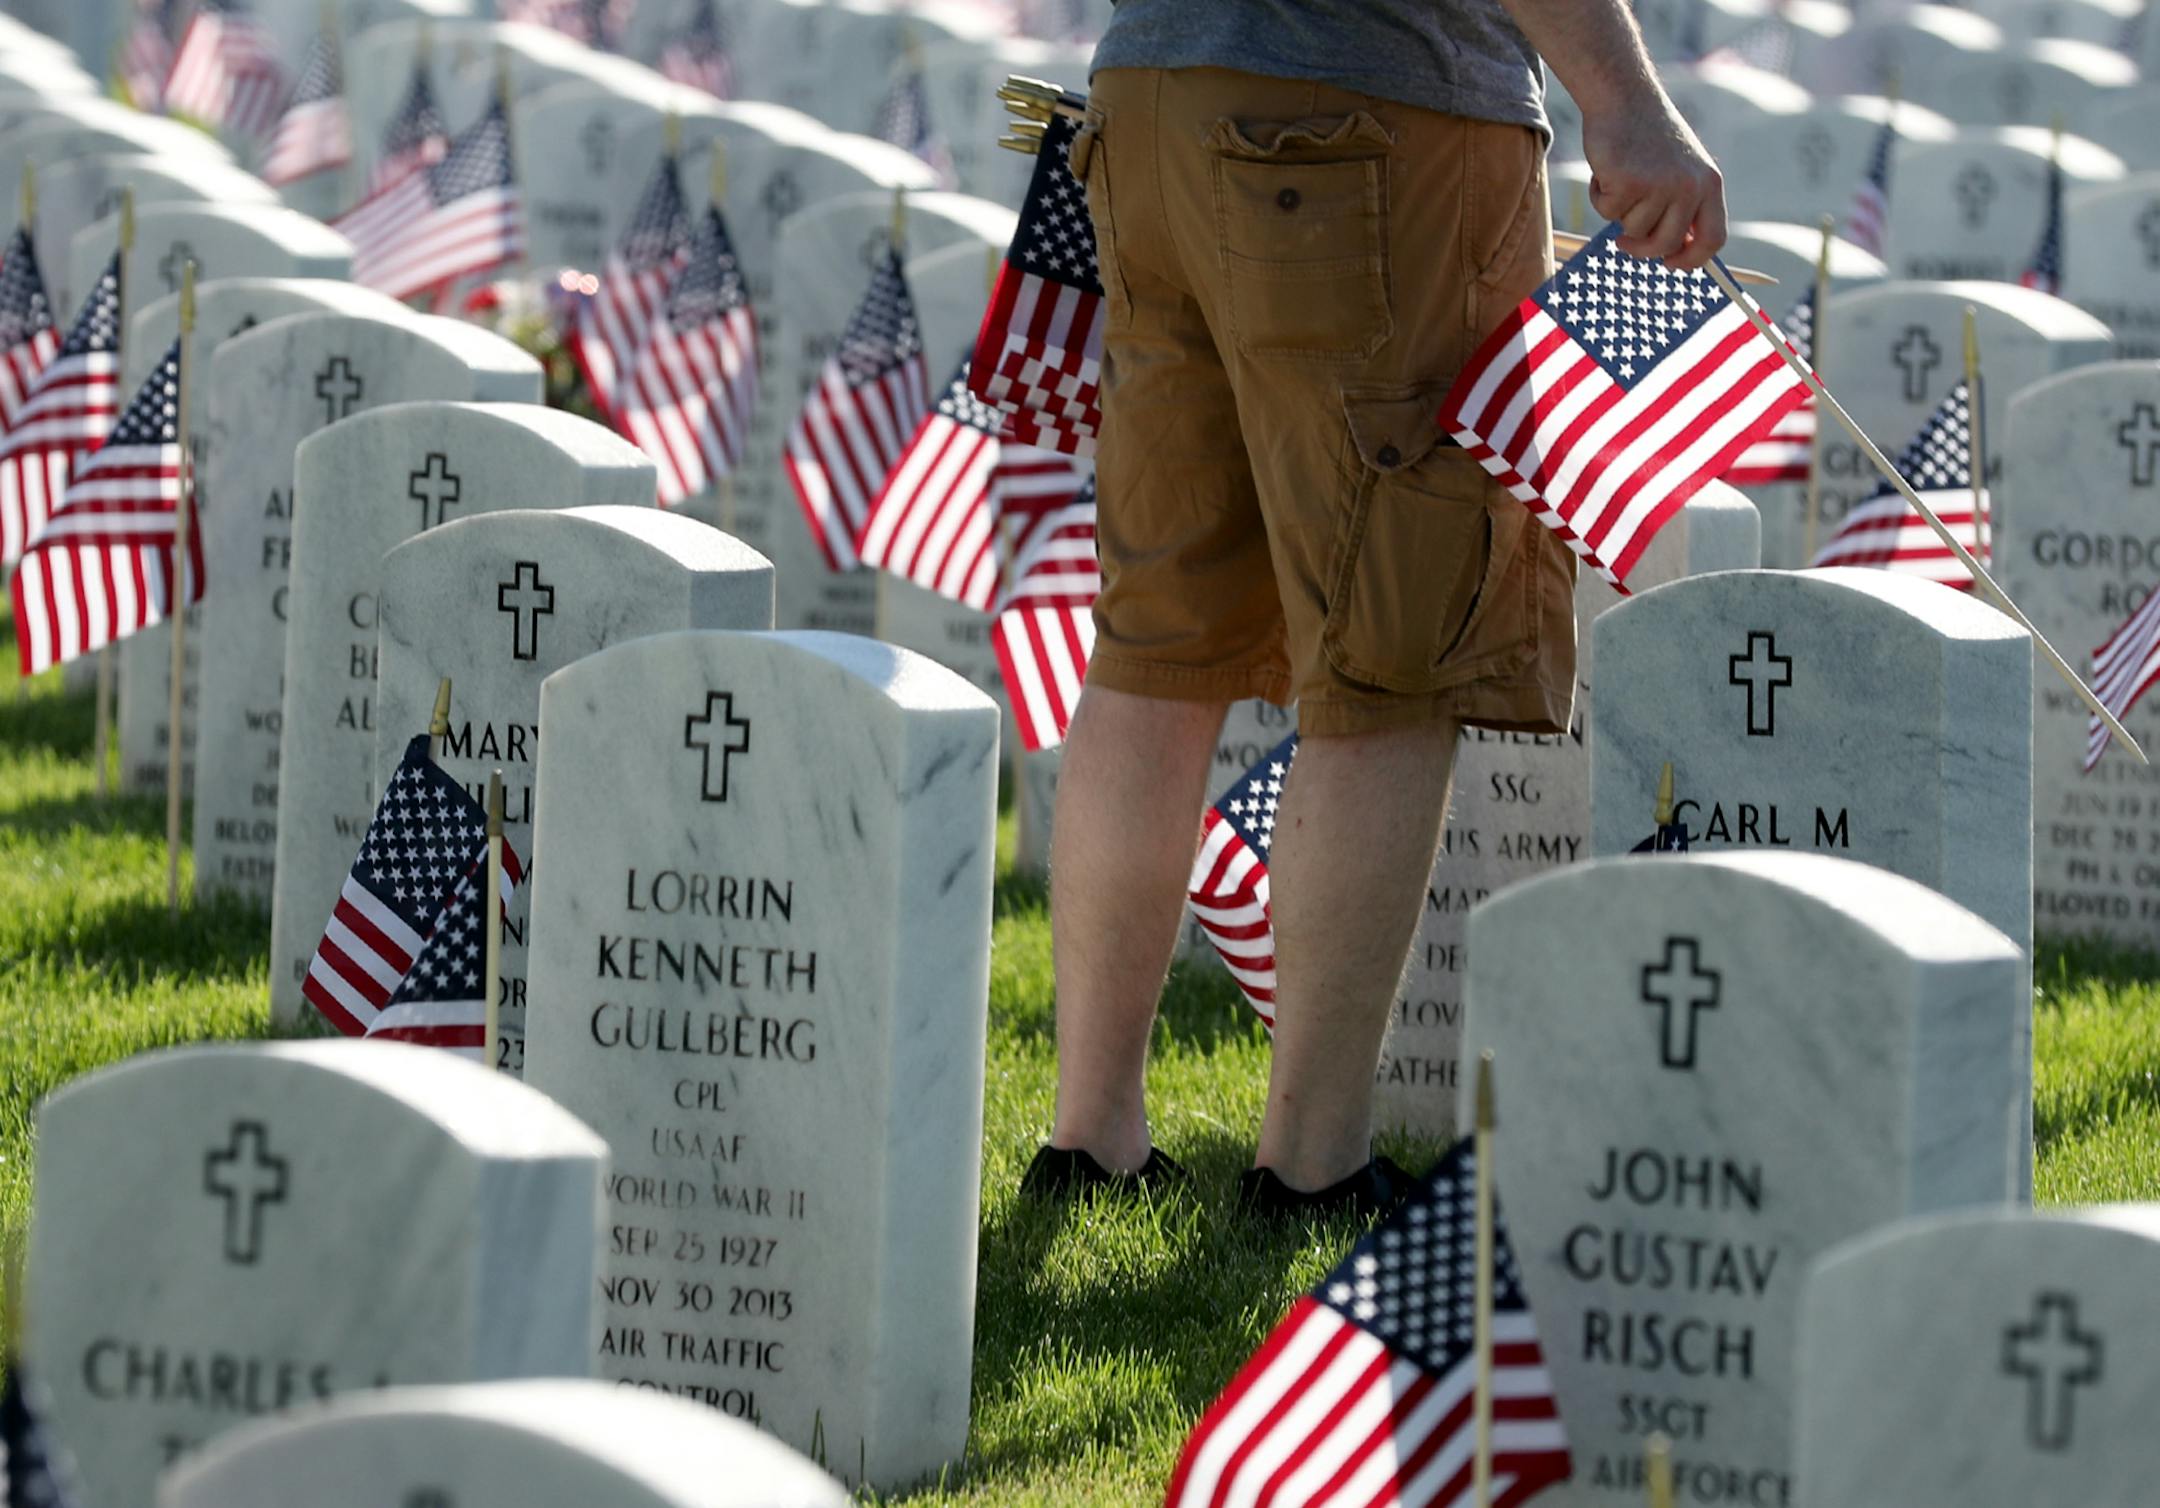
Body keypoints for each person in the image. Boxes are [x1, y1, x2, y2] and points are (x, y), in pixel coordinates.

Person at [1021, 0, 1728, 1216]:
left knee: (1155, 647)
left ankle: (1091, 1138)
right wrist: (1626, 104)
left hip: (1147, 99)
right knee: (1400, 652)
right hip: (1375, 107)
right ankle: (1313, 1162)